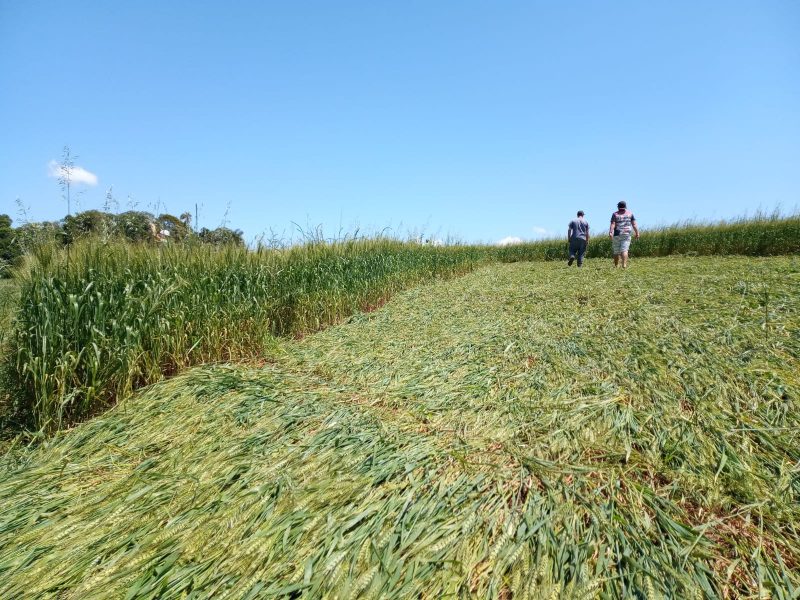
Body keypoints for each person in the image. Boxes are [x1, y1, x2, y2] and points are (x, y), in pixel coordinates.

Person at [608, 201, 639, 268]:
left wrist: (611, 232)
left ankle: (616, 266)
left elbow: (613, 224)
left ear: (618, 206)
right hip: (626, 234)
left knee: (616, 251)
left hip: (617, 234)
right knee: (624, 250)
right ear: (625, 206)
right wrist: (637, 233)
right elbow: (634, 224)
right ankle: (624, 265)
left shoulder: (615, 214)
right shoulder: (630, 214)